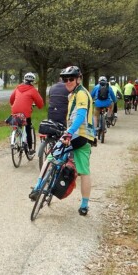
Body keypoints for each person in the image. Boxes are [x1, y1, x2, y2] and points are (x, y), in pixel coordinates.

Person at [29, 65, 94, 216]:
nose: (68, 82)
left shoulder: (81, 94)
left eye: (71, 79)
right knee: (84, 171)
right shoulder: (75, 94)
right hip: (85, 137)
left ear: (78, 79)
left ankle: (37, 187)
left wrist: (69, 133)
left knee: (50, 157)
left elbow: (81, 115)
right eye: (65, 79)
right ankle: (84, 205)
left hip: (77, 135)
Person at [9, 72, 44, 154]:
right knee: (28, 128)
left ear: (24, 80)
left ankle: (15, 138)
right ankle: (30, 149)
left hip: (15, 111)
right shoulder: (33, 90)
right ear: (33, 82)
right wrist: (39, 106)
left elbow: (11, 99)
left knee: (17, 124)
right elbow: (40, 103)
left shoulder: (18, 88)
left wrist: (14, 105)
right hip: (25, 114)